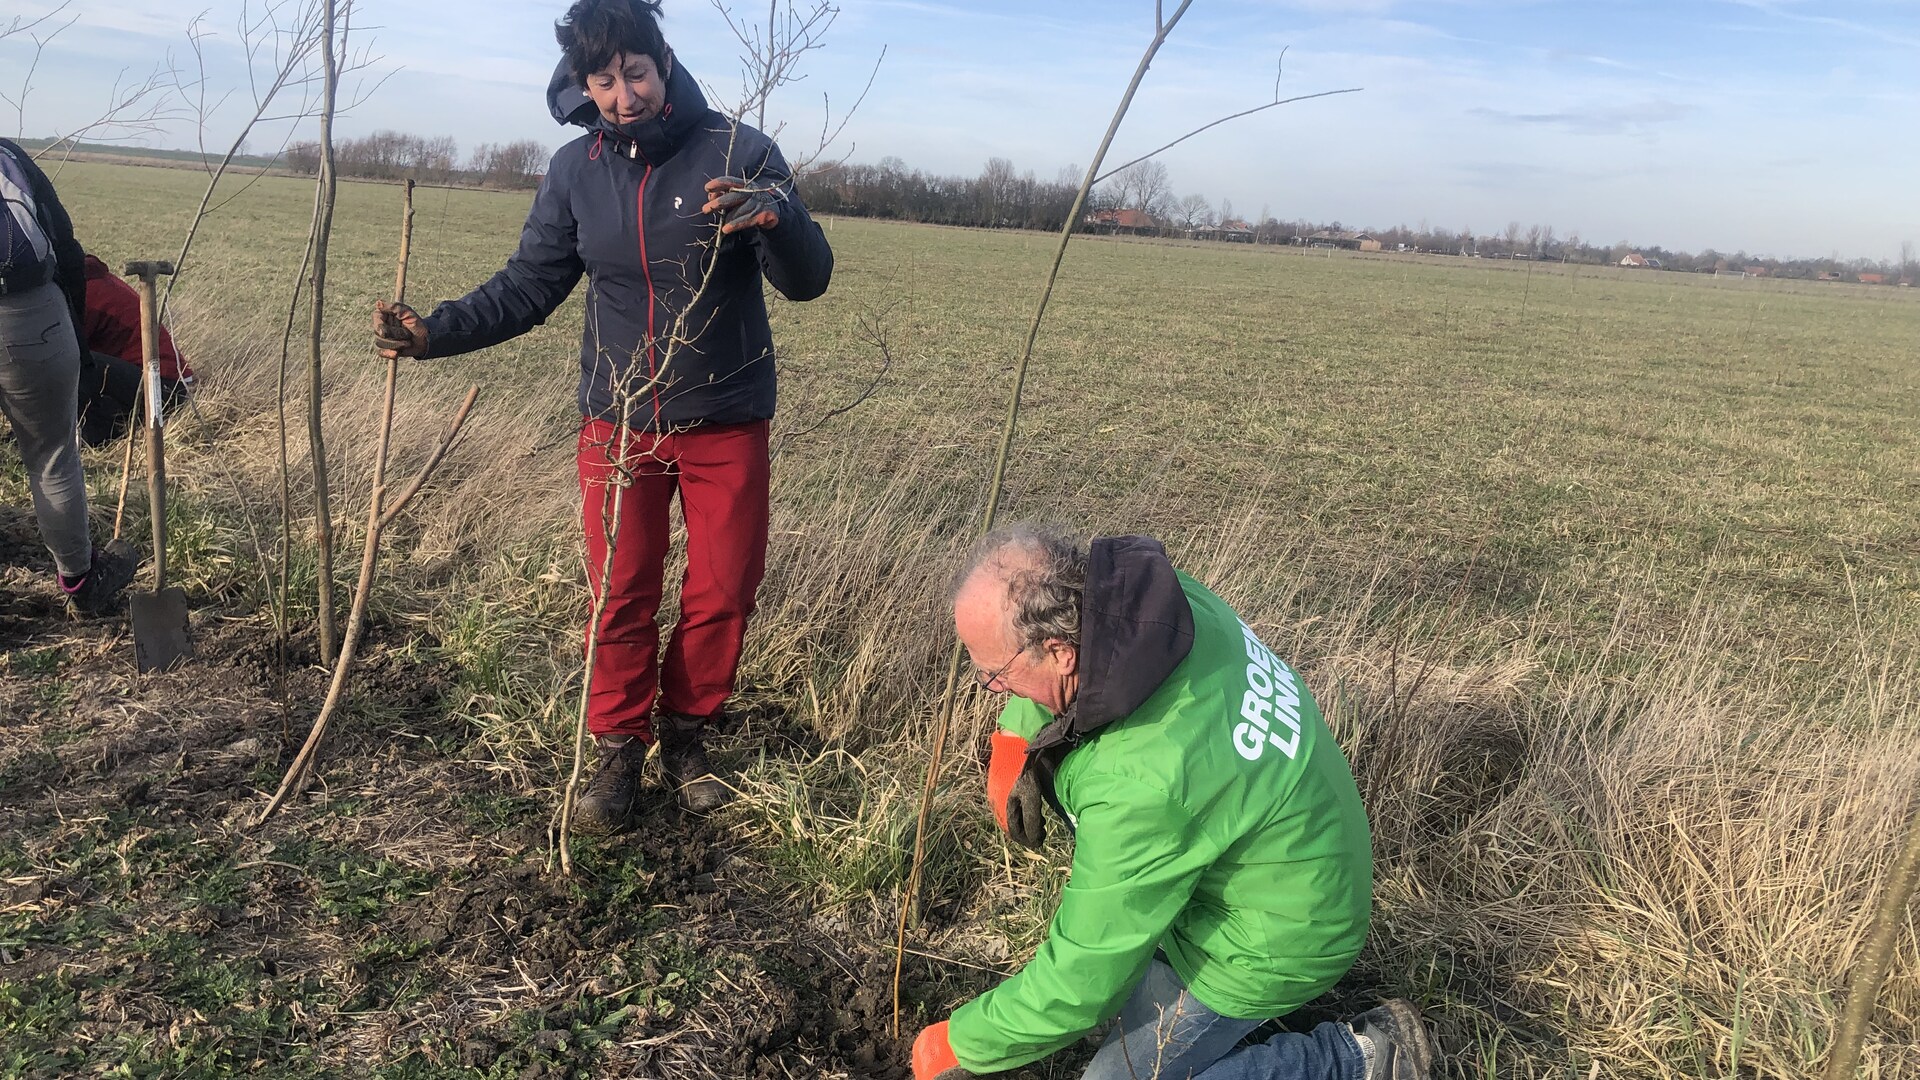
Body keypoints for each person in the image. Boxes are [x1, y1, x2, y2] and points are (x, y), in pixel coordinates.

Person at [372, 0, 832, 824]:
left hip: (725, 416)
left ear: (664, 62)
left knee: (724, 589)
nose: (625, 95)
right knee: (621, 590)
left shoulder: (741, 153)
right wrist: (435, 331)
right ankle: (619, 750)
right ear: (583, 82)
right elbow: (529, 286)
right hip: (617, 422)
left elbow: (807, 280)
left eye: (638, 73)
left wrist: (781, 217)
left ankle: (690, 731)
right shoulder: (576, 169)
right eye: (605, 80)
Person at [912, 526, 1437, 1080]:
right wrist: (1019, 734)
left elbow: (1078, 983)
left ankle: (1359, 1059)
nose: (991, 689)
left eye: (994, 673)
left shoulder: (1141, 780)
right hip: (1287, 847)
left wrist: (962, 1044)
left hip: (1280, 931)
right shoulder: (1152, 608)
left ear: (1059, 651)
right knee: (1125, 1020)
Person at [0, 137, 136, 614]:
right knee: (51, 454)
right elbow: (67, 251)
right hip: (30, 319)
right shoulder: (9, 158)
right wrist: (76, 344)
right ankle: (82, 582)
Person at [77, 253, 195, 447]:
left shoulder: (86, 290)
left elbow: (64, 353)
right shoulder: (94, 279)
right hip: (156, 383)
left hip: (163, 387)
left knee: (74, 359)